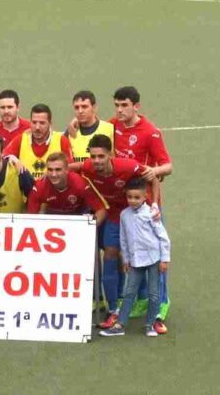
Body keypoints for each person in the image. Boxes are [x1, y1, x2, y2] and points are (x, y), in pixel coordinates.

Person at [76, 135, 160, 329]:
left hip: (137, 216)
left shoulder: (128, 166)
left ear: (110, 155)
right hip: (115, 215)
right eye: (93, 156)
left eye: (101, 157)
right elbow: (72, 167)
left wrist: (154, 204)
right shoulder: (88, 167)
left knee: (142, 256)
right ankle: (113, 309)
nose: (96, 161)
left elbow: (153, 177)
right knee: (110, 254)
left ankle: (150, 303)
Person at [111, 86, 173, 333]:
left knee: (155, 254)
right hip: (125, 204)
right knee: (134, 254)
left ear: (136, 106)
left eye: (124, 105)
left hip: (147, 206)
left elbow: (167, 166)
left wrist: (154, 171)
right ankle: (141, 300)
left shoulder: (150, 132)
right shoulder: (112, 125)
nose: (119, 110)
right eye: (116, 105)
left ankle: (161, 305)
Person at [99, 178, 170, 337]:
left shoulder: (152, 213)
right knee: (129, 292)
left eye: (137, 197)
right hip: (135, 261)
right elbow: (123, 239)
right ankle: (120, 325)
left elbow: (163, 237)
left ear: (145, 197)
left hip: (153, 258)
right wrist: (125, 259)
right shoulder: (124, 214)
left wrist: (165, 259)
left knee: (153, 293)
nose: (133, 200)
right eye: (130, 197)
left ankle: (150, 324)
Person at [27, 152, 107, 223]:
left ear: (67, 170)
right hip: (52, 217)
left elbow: (101, 211)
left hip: (78, 216)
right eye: (50, 170)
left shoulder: (80, 184)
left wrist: (88, 228)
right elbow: (30, 218)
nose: (53, 174)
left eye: (58, 170)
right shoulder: (40, 186)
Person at [4, 103, 73, 179]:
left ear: (50, 123)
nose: (37, 127)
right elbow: (3, 156)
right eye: (34, 122)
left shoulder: (61, 141)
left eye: (42, 123)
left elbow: (70, 168)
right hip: (27, 189)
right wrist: (12, 158)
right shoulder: (21, 139)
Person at [66, 90, 115, 162]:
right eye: (76, 107)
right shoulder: (70, 132)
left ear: (94, 107)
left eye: (84, 107)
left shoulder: (110, 129)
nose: (80, 111)